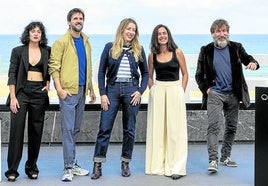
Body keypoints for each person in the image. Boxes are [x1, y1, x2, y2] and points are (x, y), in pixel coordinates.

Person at [195, 19, 260, 173]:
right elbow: (198, 75)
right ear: (213, 34)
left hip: (233, 94)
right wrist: (207, 89)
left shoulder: (236, 47)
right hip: (215, 94)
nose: (222, 34)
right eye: (218, 31)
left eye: (224, 31)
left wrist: (253, 63)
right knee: (214, 126)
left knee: (231, 127)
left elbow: (249, 59)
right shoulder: (205, 50)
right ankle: (213, 160)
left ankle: (225, 157)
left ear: (228, 32)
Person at [90, 18, 149, 180]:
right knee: (104, 128)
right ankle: (98, 164)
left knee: (129, 129)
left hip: (131, 90)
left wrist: (140, 91)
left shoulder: (138, 49)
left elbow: (145, 73)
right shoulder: (109, 47)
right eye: (128, 29)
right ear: (122, 30)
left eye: (134, 30)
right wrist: (102, 93)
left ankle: (125, 163)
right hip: (112, 90)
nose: (131, 32)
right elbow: (101, 71)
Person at [48, 8, 96, 182]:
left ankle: (72, 163)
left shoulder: (86, 41)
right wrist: (59, 89)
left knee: (75, 129)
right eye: (75, 18)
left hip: (82, 90)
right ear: (69, 22)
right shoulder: (61, 42)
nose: (78, 20)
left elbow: (87, 66)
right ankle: (68, 167)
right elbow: (54, 67)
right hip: (67, 92)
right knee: (68, 130)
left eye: (81, 18)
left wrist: (91, 88)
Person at [4, 21, 50, 182]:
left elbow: (52, 70)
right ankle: (12, 170)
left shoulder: (47, 51)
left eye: (39, 31)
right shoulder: (17, 51)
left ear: (42, 35)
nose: (36, 33)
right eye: (33, 31)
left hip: (39, 93)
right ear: (28, 34)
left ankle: (31, 167)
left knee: (36, 132)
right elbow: (12, 74)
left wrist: (48, 83)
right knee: (16, 131)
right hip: (21, 93)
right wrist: (13, 97)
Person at [145, 24, 189, 180]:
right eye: (159, 34)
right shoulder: (152, 55)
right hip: (158, 92)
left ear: (168, 35)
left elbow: (185, 75)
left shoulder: (178, 52)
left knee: (175, 131)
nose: (162, 36)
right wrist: (153, 91)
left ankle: (176, 166)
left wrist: (180, 92)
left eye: (164, 33)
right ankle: (157, 164)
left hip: (174, 91)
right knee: (158, 130)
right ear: (155, 37)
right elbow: (149, 76)